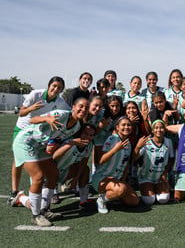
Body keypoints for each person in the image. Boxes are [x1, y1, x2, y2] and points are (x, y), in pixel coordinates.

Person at [12, 98, 89, 226]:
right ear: (73, 107)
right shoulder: (61, 114)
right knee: (38, 177)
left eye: (86, 108)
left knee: (54, 175)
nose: (83, 110)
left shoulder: (77, 127)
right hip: (26, 142)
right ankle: (36, 215)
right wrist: (47, 119)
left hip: (41, 147)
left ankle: (44, 210)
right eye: (81, 106)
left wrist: (54, 145)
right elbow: (32, 119)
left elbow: (58, 139)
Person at [8, 76, 70, 206]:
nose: (56, 89)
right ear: (49, 86)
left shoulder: (60, 102)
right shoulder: (36, 94)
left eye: (59, 88)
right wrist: (32, 108)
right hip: (22, 129)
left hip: (38, 132)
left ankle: (41, 191)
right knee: (17, 161)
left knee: (39, 162)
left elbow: (71, 112)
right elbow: (21, 113)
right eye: (54, 86)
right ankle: (14, 192)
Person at [91, 116, 140, 214]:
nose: (126, 127)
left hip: (116, 180)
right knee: (121, 189)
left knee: (134, 201)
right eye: (123, 125)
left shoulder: (128, 143)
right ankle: (101, 200)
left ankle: (113, 195)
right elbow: (101, 160)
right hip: (102, 179)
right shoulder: (112, 138)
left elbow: (126, 164)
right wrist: (115, 149)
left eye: (129, 125)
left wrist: (123, 180)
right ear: (117, 127)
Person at [136, 120, 174, 205]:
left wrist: (164, 173)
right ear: (152, 130)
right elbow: (135, 157)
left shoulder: (168, 141)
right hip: (146, 176)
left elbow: (171, 158)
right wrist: (138, 147)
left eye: (161, 127)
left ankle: (157, 187)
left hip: (161, 176)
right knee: (149, 200)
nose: (159, 130)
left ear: (164, 129)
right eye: (156, 128)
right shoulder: (147, 142)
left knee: (163, 199)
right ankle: (147, 186)